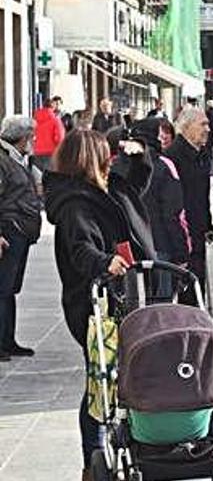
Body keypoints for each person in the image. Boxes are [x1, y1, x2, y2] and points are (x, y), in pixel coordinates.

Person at [43, 130, 155, 481]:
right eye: (106, 155)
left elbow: (134, 185)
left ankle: (127, 444)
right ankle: (93, 457)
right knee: (100, 379)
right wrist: (104, 261)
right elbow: (81, 249)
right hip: (94, 303)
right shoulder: (76, 203)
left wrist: (137, 154)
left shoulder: (106, 189)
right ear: (94, 160)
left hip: (123, 294)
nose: (111, 160)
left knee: (119, 375)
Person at [132, 119, 191, 300]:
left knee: (132, 305)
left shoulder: (118, 165)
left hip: (128, 249)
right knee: (161, 306)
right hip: (160, 246)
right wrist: (182, 253)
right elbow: (174, 214)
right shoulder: (164, 166)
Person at [0, 116, 42, 360]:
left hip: (20, 232)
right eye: (31, 136)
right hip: (8, 231)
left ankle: (9, 340)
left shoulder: (20, 159)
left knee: (11, 289)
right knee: (3, 289)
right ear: (22, 138)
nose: (34, 140)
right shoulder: (3, 161)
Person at [164, 108, 213, 306]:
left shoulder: (200, 154)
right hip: (182, 233)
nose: (208, 129)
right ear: (186, 127)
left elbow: (202, 196)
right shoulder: (173, 157)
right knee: (188, 286)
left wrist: (207, 224)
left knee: (197, 282)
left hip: (198, 228)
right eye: (203, 124)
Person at [33, 97, 65, 171]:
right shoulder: (55, 120)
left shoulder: (34, 120)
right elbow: (59, 138)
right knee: (50, 175)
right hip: (51, 152)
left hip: (37, 151)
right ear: (53, 107)